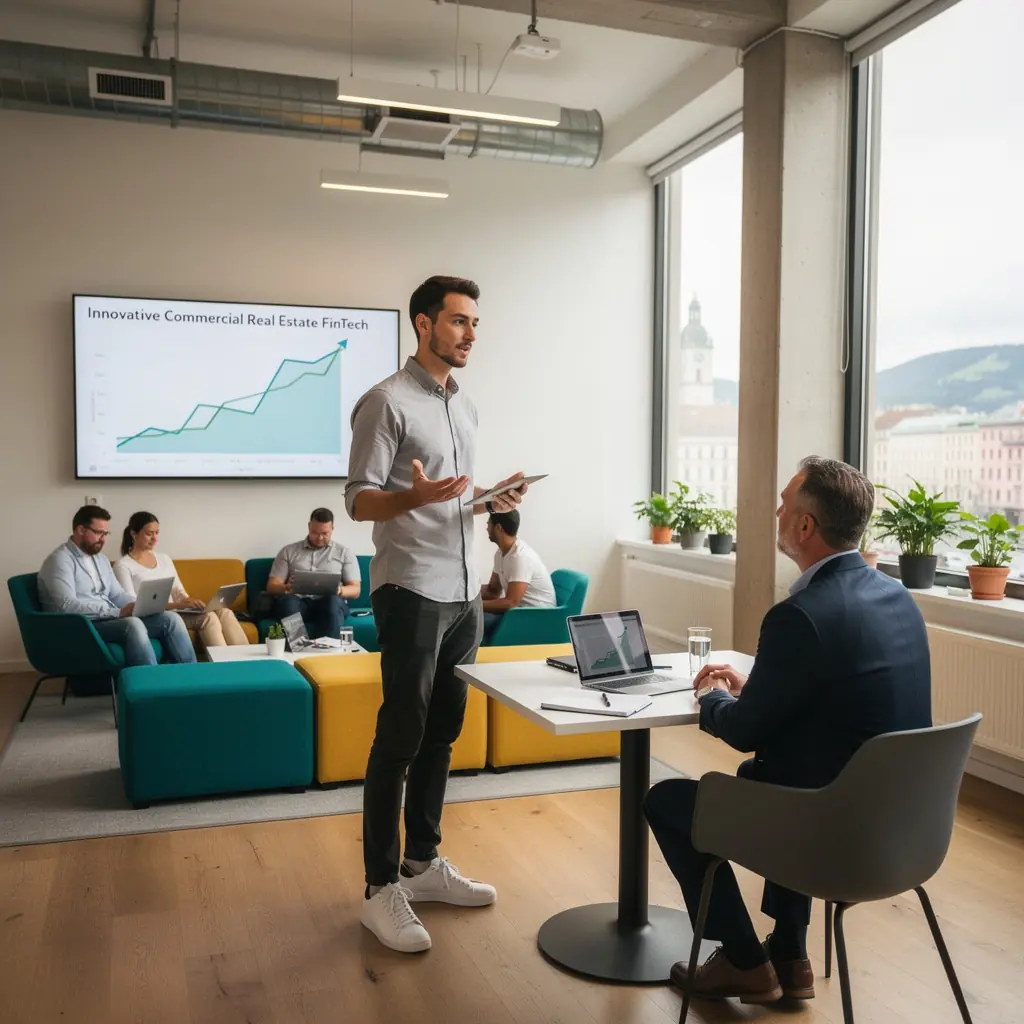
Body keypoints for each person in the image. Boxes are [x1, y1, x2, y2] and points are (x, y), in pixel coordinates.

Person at [643, 456, 931, 1005]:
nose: (775, 511)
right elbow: (840, 697)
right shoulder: (897, 598)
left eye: (783, 503)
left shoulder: (800, 614)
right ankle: (792, 954)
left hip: (830, 837)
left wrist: (717, 696)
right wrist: (760, 684)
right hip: (904, 830)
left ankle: (747, 963)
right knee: (770, 773)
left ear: (804, 527)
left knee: (667, 802)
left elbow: (743, 731)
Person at [346, 274, 528, 953]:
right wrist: (412, 499)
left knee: (442, 733)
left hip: (463, 592)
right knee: (400, 734)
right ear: (423, 324)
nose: (471, 333)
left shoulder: (466, 408)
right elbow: (360, 500)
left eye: (475, 322)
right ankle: (378, 885)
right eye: (458, 321)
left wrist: (487, 499)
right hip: (411, 588)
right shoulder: (384, 403)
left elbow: (453, 495)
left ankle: (422, 863)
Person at [37, 505, 196, 667]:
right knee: (132, 624)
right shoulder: (60, 561)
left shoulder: (100, 559)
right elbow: (66, 606)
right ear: (80, 530)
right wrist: (117, 612)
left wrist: (138, 605)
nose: (103, 539)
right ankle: (149, 687)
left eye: (106, 534)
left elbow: (116, 594)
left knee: (171, 619)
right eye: (99, 533)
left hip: (107, 619)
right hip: (82, 626)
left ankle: (193, 680)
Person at [113, 511, 249, 650]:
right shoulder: (123, 565)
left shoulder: (163, 558)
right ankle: (224, 665)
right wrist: (177, 605)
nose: (155, 538)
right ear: (134, 534)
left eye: (157, 533)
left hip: (178, 610)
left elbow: (179, 591)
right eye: (149, 533)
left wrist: (189, 601)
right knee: (208, 618)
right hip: (157, 617)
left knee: (225, 612)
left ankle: (250, 661)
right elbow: (134, 606)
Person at [266, 508, 360, 639]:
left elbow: (355, 589)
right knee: (288, 602)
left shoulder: (344, 553)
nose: (320, 538)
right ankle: (298, 649)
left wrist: (338, 590)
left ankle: (327, 652)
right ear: (309, 526)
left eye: (325, 533)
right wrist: (286, 587)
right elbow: (272, 585)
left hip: (329, 603)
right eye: (315, 533)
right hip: (298, 603)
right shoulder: (288, 551)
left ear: (332, 528)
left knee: (332, 602)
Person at [480, 509, 556, 642]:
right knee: (468, 618)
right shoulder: (501, 553)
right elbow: (493, 591)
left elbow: (511, 603)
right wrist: (464, 593)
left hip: (535, 619)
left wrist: (474, 606)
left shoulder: (520, 557)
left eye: (489, 523)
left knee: (471, 622)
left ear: (498, 528)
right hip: (516, 614)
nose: (486, 527)